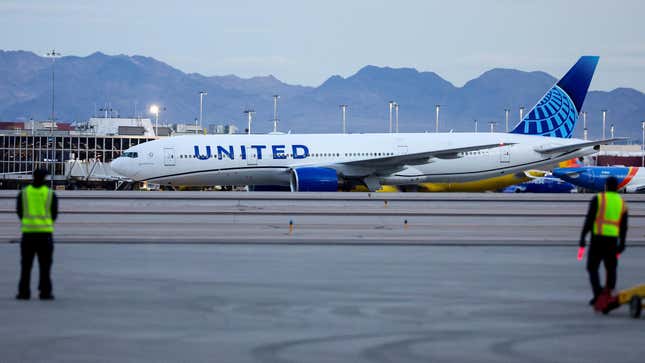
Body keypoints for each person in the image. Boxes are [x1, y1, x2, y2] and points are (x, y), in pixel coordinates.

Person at [579, 176, 628, 305]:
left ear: (605, 186)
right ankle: (609, 295)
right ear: (617, 187)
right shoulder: (621, 202)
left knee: (592, 267)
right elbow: (624, 226)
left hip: (597, 239)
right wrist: (622, 243)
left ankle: (597, 294)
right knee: (611, 268)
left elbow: (589, 220)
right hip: (612, 240)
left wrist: (583, 237)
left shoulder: (599, 199)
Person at [15, 168, 58, 300]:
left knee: (26, 266)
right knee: (45, 266)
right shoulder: (50, 194)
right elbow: (54, 213)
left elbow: (19, 211)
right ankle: (45, 292)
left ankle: (24, 293)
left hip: (28, 235)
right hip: (45, 235)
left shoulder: (24, 193)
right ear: (45, 178)